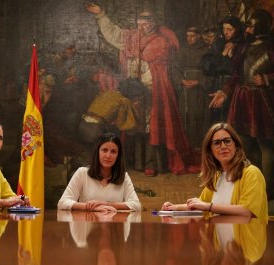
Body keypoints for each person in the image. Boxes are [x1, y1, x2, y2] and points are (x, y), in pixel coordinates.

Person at [85, 3, 198, 176]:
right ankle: (135, 162)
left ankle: (152, 164)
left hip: (153, 89)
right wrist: (101, 15)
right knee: (133, 124)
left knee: (151, 127)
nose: (141, 27)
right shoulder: (132, 36)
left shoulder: (161, 42)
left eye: (144, 24)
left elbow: (152, 67)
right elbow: (114, 34)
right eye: (139, 24)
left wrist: (140, 82)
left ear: (153, 23)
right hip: (134, 89)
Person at [209, 9, 274, 199]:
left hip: (261, 99)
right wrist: (224, 92)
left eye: (250, 26)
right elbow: (236, 75)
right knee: (245, 142)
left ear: (259, 26)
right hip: (242, 98)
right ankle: (255, 183)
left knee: (265, 143)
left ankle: (267, 188)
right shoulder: (243, 48)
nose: (247, 29)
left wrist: (269, 77)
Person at [162, 122, 268, 222]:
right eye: (217, 143)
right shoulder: (216, 176)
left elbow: (247, 212)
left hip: (245, 240)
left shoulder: (252, 173)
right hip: (219, 241)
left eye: (227, 141)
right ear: (211, 151)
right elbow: (199, 206)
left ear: (236, 145)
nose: (223, 146)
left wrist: (209, 206)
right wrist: (173, 208)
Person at [57, 132, 141, 211]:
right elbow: (63, 203)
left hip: (114, 225)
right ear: (97, 152)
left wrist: (106, 204)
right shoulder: (82, 173)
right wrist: (90, 207)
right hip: (86, 223)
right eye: (104, 150)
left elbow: (136, 205)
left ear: (118, 156)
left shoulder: (124, 176)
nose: (108, 156)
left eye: (113, 152)